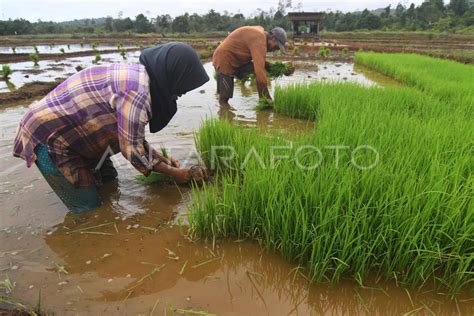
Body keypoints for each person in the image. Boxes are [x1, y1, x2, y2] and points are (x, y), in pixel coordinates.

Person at [13, 42, 209, 213]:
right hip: (50, 140)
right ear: (172, 75)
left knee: (109, 180)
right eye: (181, 87)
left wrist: (162, 161)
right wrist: (177, 174)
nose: (180, 94)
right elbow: (132, 150)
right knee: (89, 209)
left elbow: (132, 137)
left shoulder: (141, 77)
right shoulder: (137, 94)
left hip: (82, 135)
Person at [212, 26, 287, 105]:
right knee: (224, 98)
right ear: (273, 38)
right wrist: (266, 99)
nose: (275, 49)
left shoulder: (260, 35)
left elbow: (260, 63)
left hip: (238, 60)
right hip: (224, 59)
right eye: (277, 46)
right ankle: (223, 111)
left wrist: (281, 69)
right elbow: (260, 76)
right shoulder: (259, 40)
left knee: (257, 68)